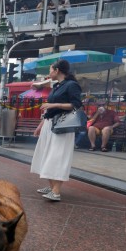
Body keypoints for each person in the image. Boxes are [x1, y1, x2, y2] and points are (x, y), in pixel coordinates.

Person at [30, 59, 82, 202]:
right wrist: (40, 126)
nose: (49, 73)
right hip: (50, 124)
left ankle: (56, 192)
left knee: (56, 157)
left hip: (62, 126)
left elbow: (76, 105)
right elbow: (49, 109)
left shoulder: (71, 85)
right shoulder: (58, 86)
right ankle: (52, 187)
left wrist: (54, 104)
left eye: (50, 70)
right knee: (45, 155)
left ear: (57, 70)